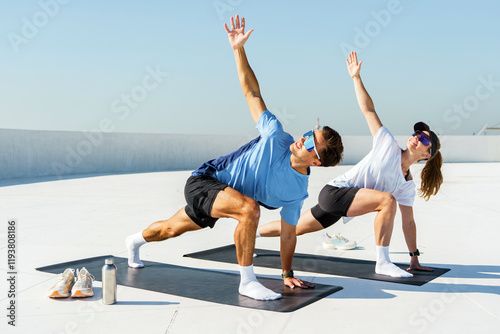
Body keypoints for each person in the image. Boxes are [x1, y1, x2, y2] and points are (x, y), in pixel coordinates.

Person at [125, 15, 344, 301]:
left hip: (227, 199)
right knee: (250, 209)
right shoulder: (276, 135)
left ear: (315, 162)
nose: (302, 138)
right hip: (206, 181)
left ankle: (133, 241)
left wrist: (287, 274)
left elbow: (289, 234)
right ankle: (247, 282)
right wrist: (238, 49)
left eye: (310, 144)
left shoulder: (296, 191)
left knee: (170, 229)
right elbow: (252, 93)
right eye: (307, 133)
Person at [258, 51, 443, 278]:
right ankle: (382, 262)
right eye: (417, 133)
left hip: (340, 203)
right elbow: (369, 110)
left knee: (294, 228)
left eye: (424, 139)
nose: (417, 137)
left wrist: (414, 257)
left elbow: (409, 222)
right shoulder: (387, 143)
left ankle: (253, 233)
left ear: (427, 155)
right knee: (387, 201)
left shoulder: (406, 186)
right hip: (334, 192)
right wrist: (356, 77)